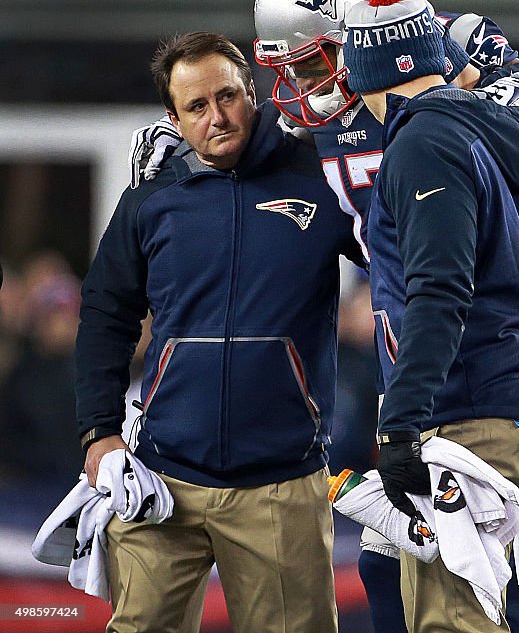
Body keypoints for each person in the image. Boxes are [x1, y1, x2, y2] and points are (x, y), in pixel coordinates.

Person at [133, 0, 519, 633]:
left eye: (311, 61)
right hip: (443, 371)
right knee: (393, 570)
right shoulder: (319, 124)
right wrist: (186, 169)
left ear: (362, 36)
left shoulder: (450, 66)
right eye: (288, 67)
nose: (300, 85)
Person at [75, 32, 364, 632]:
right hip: (161, 478)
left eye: (227, 97)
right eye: (196, 108)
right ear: (173, 119)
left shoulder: (320, 175)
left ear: (251, 92)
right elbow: (106, 312)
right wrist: (98, 431)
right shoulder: (150, 196)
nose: (217, 117)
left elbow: (407, 271)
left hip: (282, 481)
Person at [342, 0, 519, 632]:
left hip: (471, 415)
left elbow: (441, 291)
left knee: (453, 620)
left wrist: (401, 422)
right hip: (518, 405)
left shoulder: (423, 142)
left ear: (365, 71)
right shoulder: (500, 127)